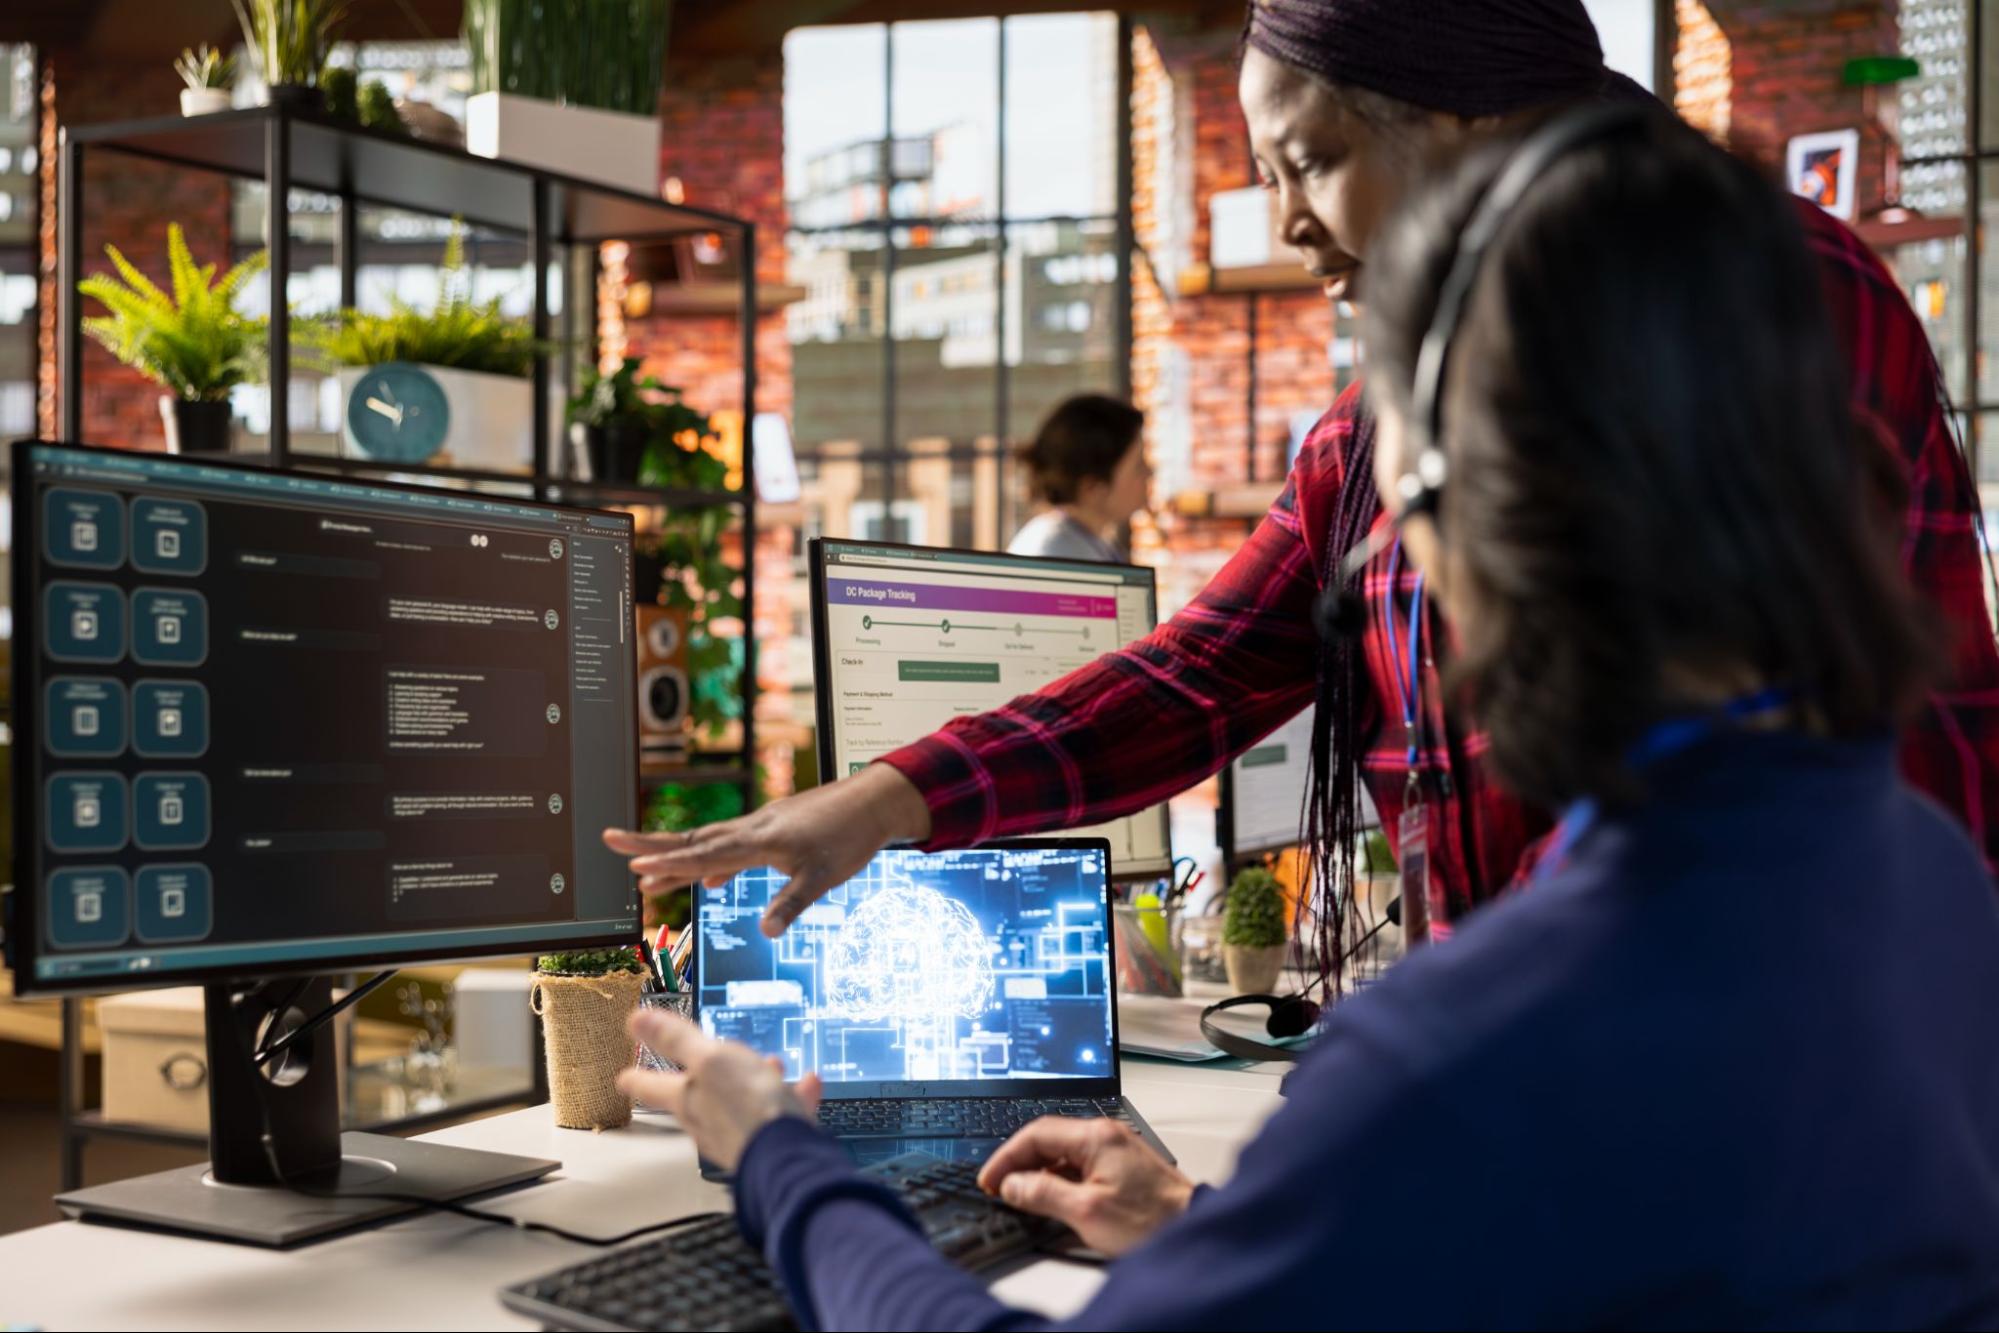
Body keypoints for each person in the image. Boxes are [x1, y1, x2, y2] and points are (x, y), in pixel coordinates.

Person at [620, 111, 1999, 1328]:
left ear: (1460, 517)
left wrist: (775, 1163)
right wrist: (1225, 1232)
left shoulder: (1461, 1050)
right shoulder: (1925, 886)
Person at [607, 0, 1999, 976]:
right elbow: (1207, 669)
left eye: (1309, 161)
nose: (1283, 219)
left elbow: (1801, 757)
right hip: (1530, 1064)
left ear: (1462, 122)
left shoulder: (1774, 291)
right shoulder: (1376, 422)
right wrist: (887, 799)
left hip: (1761, 1059)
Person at [1007, 394, 1150, 562]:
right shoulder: (1056, 556)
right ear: (1092, 487)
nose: (1148, 473)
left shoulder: (1087, 542)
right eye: (1138, 466)